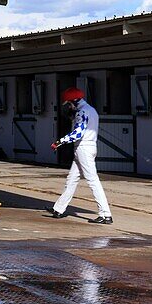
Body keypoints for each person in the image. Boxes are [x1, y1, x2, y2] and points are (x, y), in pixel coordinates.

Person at [46, 87, 113, 225]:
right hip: (88, 147)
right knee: (71, 179)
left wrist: (59, 142)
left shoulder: (82, 111)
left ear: (73, 101)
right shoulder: (91, 110)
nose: (68, 107)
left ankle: (105, 214)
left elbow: (78, 133)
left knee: (92, 180)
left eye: (68, 104)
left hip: (83, 148)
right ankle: (58, 209)